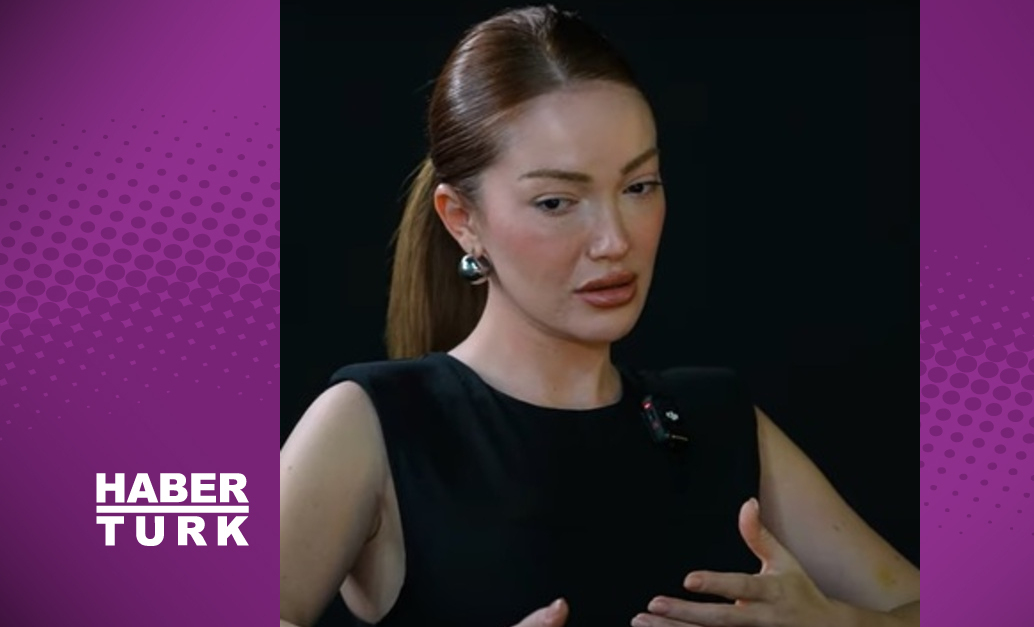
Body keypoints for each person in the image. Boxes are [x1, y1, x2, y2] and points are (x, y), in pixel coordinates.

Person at [280, 5, 919, 627]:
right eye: (556, 202)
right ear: (462, 220)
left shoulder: (717, 421)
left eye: (639, 187)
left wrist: (840, 624)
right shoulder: (377, 422)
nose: (615, 240)